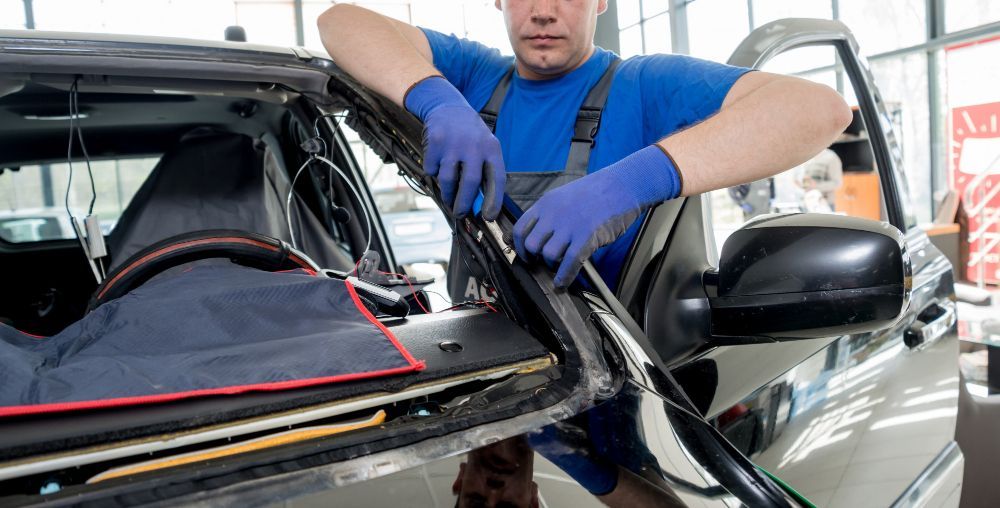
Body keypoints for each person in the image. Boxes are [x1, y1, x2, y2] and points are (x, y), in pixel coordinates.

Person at [318, 0, 851, 291]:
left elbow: (817, 110)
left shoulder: (644, 87)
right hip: (478, 356)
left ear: (601, 3)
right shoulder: (474, 76)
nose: (544, 11)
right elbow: (339, 20)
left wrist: (630, 183)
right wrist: (438, 100)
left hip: (606, 367)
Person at [792, 147, 843, 212]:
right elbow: (803, 180)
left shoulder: (831, 157)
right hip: (806, 204)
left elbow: (837, 183)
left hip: (825, 205)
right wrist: (801, 184)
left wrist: (816, 186)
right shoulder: (804, 155)